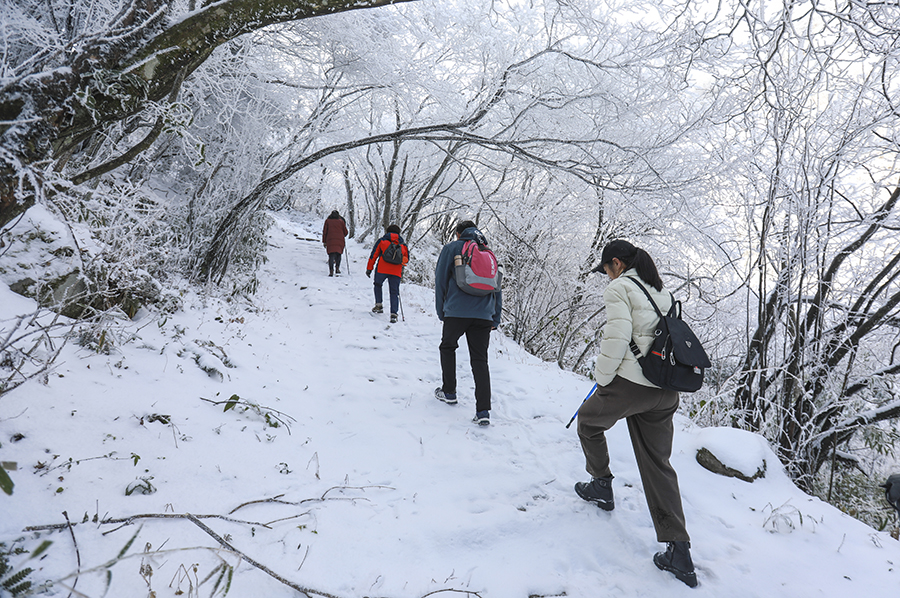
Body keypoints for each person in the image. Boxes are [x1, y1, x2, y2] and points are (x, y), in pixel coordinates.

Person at [575, 239, 697, 588]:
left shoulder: (620, 289)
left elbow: (617, 337)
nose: (606, 277)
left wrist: (601, 379)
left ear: (616, 264)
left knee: (587, 422)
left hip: (631, 386)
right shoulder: (662, 291)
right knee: (658, 464)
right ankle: (680, 552)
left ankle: (601, 485)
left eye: (606, 270)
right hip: (666, 390)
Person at [433, 220, 502, 426]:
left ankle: (449, 391)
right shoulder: (488, 253)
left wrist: (441, 311)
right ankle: (483, 412)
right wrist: (495, 318)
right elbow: (497, 288)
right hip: (484, 315)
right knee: (480, 360)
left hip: (456, 311)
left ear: (458, 233)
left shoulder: (452, 248)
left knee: (448, 347)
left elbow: (440, 280)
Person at [366, 224, 409, 323]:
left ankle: (379, 305)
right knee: (394, 292)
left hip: (382, 269)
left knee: (377, 284)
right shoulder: (403, 245)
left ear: (387, 232)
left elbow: (374, 255)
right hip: (396, 272)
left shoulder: (382, 241)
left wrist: (369, 268)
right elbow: (406, 260)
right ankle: (394, 314)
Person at [322, 210, 348, 276]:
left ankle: (331, 271)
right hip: (340, 240)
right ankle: (337, 268)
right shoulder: (341, 222)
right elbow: (346, 232)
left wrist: (324, 241)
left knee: (331, 255)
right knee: (338, 254)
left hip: (330, 240)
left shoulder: (327, 221)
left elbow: (324, 232)